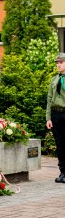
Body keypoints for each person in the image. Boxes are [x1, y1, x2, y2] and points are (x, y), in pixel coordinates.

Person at [46, 53, 65, 183]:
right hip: (56, 114)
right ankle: (63, 172)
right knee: (60, 145)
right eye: (57, 63)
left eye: (61, 62)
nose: (58, 65)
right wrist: (48, 118)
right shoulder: (54, 80)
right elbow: (49, 99)